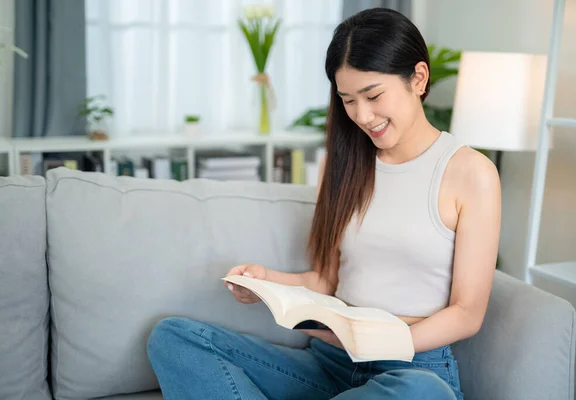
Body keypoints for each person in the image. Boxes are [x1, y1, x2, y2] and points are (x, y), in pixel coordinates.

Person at [146, 7, 501, 400]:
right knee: (175, 338)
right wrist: (265, 281)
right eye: (348, 100)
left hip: (411, 368)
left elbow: (467, 312)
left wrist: (382, 345)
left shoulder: (472, 173)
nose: (363, 116)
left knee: (421, 393)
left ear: (418, 78)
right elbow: (327, 282)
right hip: (328, 363)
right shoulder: (343, 163)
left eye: (373, 95)